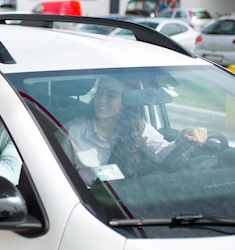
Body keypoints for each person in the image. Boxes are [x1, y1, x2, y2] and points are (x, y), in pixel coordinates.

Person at [65, 76, 207, 183]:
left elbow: (163, 155)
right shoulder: (72, 132)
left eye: (111, 95)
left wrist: (184, 140)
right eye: (99, 93)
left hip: (128, 202)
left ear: (128, 101)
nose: (101, 100)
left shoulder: (138, 126)